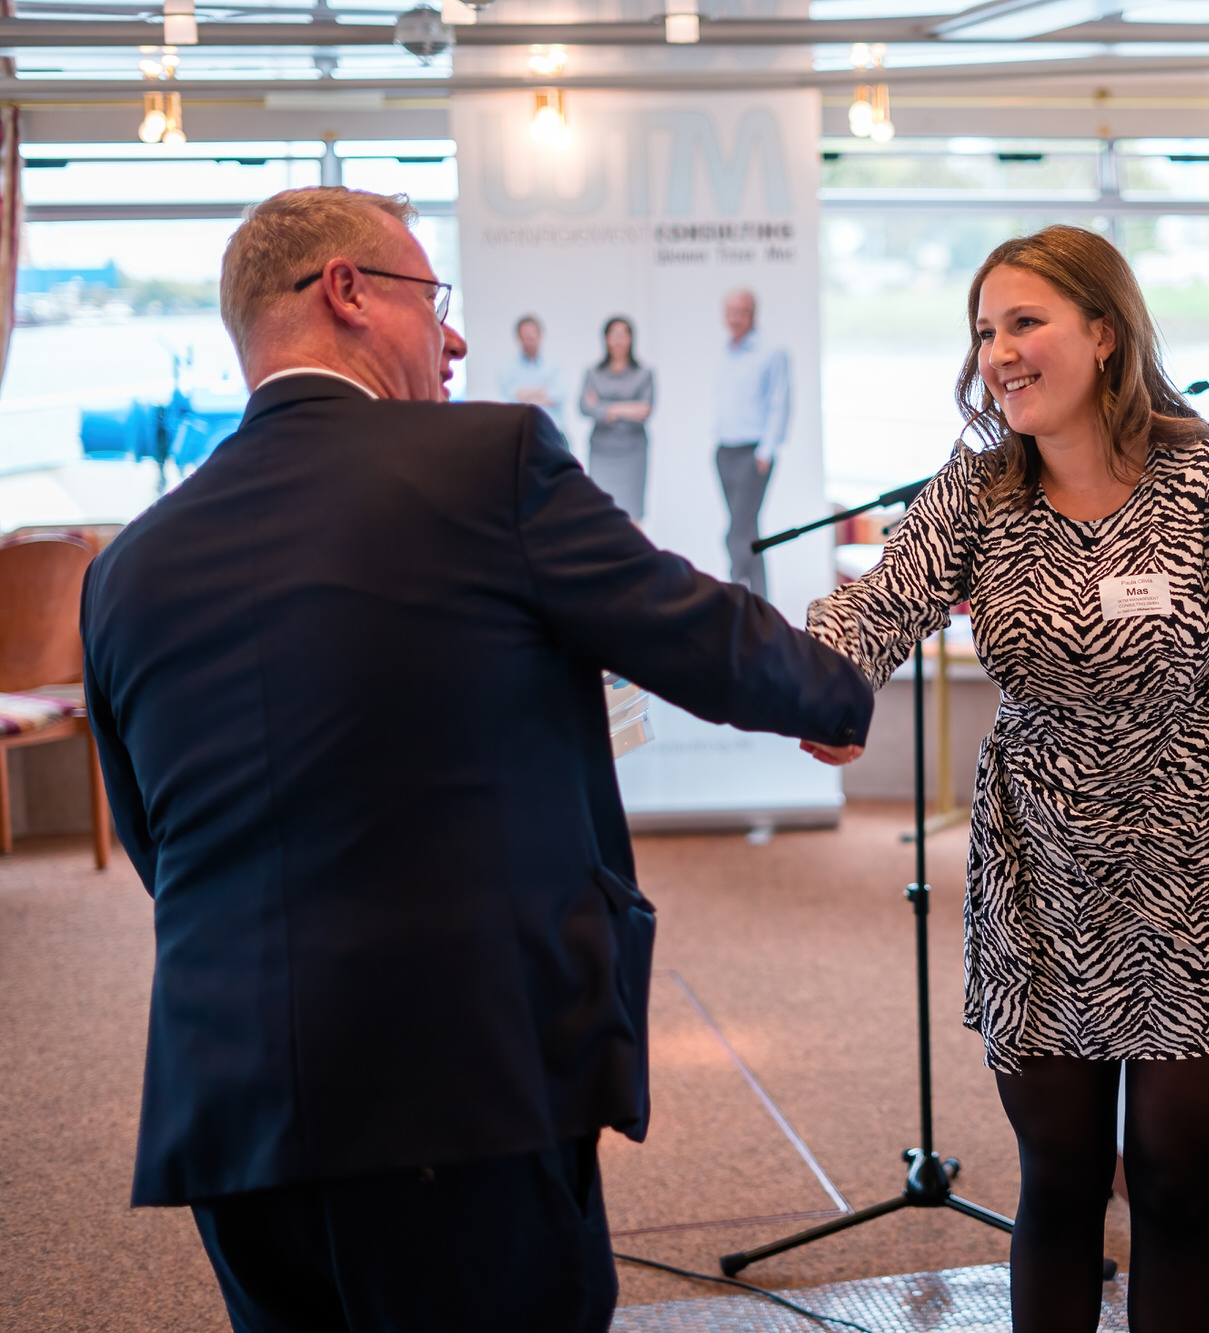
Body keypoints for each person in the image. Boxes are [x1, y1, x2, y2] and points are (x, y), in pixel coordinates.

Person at [79, 187, 872, 1333]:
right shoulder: (485, 459)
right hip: (457, 1092)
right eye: (430, 297)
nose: (452, 337)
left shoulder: (127, 566)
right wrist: (834, 688)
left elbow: (155, 844)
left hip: (229, 1112)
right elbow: (683, 623)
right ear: (346, 292)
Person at [802, 225, 1209, 1333]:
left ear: (1104, 334)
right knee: (1057, 1179)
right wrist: (817, 687)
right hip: (1041, 876)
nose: (998, 353)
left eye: (1025, 323)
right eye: (984, 331)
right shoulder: (979, 490)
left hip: (1198, 873)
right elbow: (874, 607)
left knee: (1170, 1178)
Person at [713, 288, 791, 597]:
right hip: (724, 452)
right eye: (730, 312)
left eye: (741, 312)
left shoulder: (771, 352)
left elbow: (779, 402)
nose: (735, 319)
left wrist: (766, 451)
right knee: (748, 531)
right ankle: (760, 602)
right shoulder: (726, 351)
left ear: (753, 315)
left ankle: (735, 598)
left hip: (752, 454)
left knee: (736, 533)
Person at [580, 316, 653, 520]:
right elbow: (585, 407)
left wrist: (605, 407)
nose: (619, 340)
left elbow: (645, 410)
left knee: (632, 512)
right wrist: (627, 408)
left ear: (631, 339)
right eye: (614, 335)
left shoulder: (643, 374)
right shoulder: (593, 373)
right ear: (606, 339)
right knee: (599, 511)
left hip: (633, 450)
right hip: (602, 451)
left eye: (623, 335)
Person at [496, 313, 566, 443]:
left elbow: (556, 396)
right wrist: (541, 390)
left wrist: (524, 395)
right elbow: (511, 399)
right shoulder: (507, 368)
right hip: (522, 435)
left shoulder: (554, 365)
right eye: (525, 337)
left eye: (532, 336)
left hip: (553, 434)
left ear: (540, 336)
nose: (529, 341)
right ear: (518, 338)